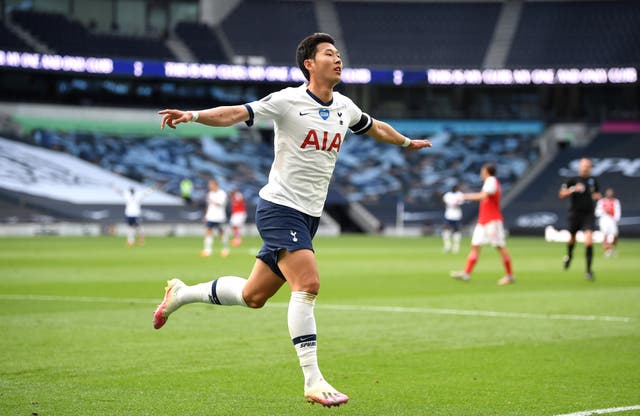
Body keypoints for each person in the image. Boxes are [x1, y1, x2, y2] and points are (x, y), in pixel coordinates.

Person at [154, 33, 432, 407]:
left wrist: (405, 143)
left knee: (254, 296)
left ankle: (181, 294)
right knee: (309, 283)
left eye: (338, 54)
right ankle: (313, 380)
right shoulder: (288, 100)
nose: (338, 60)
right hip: (279, 208)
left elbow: (376, 126)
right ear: (309, 64)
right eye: (329, 54)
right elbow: (238, 112)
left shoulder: (344, 107)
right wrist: (192, 115)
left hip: (309, 215)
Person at [450, 163, 515, 285]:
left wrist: (464, 196)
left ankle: (509, 275)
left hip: (492, 220)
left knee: (499, 247)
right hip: (483, 220)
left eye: (482, 171)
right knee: (475, 246)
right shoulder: (489, 182)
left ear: (486, 171)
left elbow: (483, 196)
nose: (481, 174)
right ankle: (466, 273)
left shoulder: (491, 180)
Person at [558, 157, 601, 280]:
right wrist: (573, 189)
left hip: (588, 214)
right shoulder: (573, 180)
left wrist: (597, 196)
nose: (585, 168)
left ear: (590, 168)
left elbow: (596, 194)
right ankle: (569, 255)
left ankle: (588, 271)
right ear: (579, 167)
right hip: (575, 214)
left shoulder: (593, 181)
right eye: (583, 166)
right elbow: (561, 194)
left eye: (587, 166)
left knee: (588, 241)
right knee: (572, 239)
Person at [201, 179, 230, 258]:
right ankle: (207, 250)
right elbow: (208, 206)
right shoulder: (210, 194)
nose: (209, 186)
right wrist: (206, 215)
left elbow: (220, 204)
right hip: (211, 217)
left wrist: (211, 199)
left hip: (219, 217)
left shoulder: (222, 193)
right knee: (208, 232)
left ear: (215, 185)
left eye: (211, 185)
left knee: (221, 233)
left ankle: (225, 249)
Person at [595, 187, 620, 257]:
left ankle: (614, 246)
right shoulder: (601, 201)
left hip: (612, 220)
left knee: (615, 234)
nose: (609, 194)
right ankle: (607, 250)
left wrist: (616, 219)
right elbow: (597, 212)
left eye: (611, 193)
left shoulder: (615, 201)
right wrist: (604, 211)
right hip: (604, 220)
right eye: (608, 193)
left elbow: (618, 212)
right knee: (605, 234)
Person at [442, 184, 464, 253]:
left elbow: (460, 204)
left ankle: (456, 247)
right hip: (449, 215)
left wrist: (455, 204)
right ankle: (447, 245)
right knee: (446, 229)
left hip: (457, 215)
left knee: (456, 231)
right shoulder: (447, 195)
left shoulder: (460, 194)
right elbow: (445, 203)